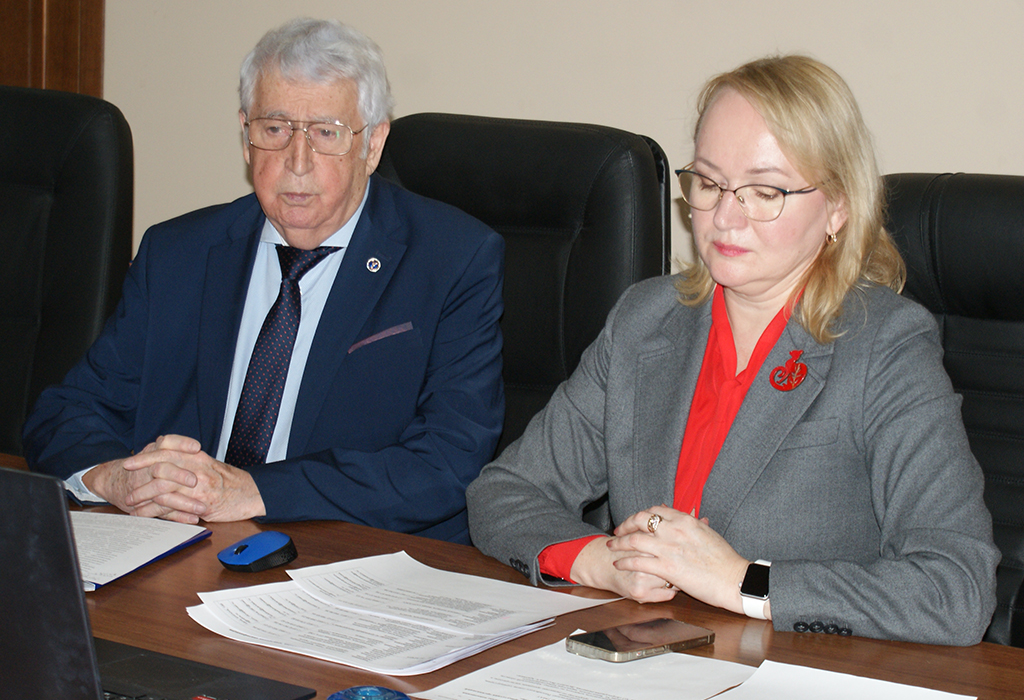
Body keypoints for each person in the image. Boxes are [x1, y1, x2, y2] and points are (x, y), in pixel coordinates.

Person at [466, 55, 998, 644]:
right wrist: (598, 560)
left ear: (838, 206)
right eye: (709, 183)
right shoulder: (646, 319)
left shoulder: (885, 346)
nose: (723, 218)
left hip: (798, 668)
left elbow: (958, 590)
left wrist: (746, 582)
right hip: (647, 657)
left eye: (764, 192)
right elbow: (503, 492)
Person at [22, 18, 504, 544]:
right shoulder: (178, 253)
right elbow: (65, 413)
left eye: (326, 133)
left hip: (354, 556)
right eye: (275, 130)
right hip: (183, 548)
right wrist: (116, 478)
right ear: (246, 137)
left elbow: (447, 463)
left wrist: (255, 491)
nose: (297, 162)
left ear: (372, 144)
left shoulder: (453, 259)